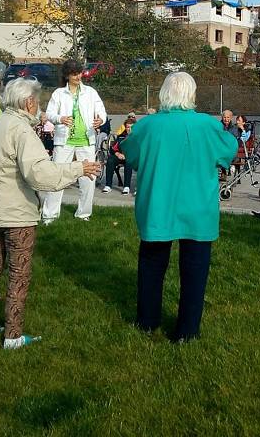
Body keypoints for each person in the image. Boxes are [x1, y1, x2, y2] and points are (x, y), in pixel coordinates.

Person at [0, 78, 100, 349]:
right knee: (18, 273)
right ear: (29, 102)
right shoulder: (21, 130)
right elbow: (40, 174)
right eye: (37, 102)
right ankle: (13, 335)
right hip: (16, 213)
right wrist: (79, 169)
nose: (38, 107)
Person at [121, 72, 238, 341]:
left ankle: (147, 321)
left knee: (151, 264)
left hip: (158, 205)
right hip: (198, 207)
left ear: (164, 93)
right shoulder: (207, 125)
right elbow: (227, 151)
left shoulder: (148, 125)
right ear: (192, 95)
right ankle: (187, 330)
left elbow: (130, 154)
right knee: (195, 270)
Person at [41, 60, 107, 223]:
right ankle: (50, 215)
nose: (78, 76)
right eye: (74, 73)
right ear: (67, 76)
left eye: (79, 72)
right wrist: (60, 118)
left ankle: (84, 213)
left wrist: (100, 120)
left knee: (87, 178)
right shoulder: (58, 93)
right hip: (64, 141)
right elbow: (49, 114)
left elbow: (101, 112)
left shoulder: (90, 92)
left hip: (86, 140)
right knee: (58, 176)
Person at [102, 117, 135, 194]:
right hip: (120, 156)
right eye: (127, 127)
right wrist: (117, 153)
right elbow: (113, 148)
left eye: (131, 127)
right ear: (125, 127)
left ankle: (126, 187)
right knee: (110, 160)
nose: (129, 129)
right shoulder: (121, 136)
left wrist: (128, 155)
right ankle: (108, 185)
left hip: (131, 158)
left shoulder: (138, 137)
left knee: (128, 162)